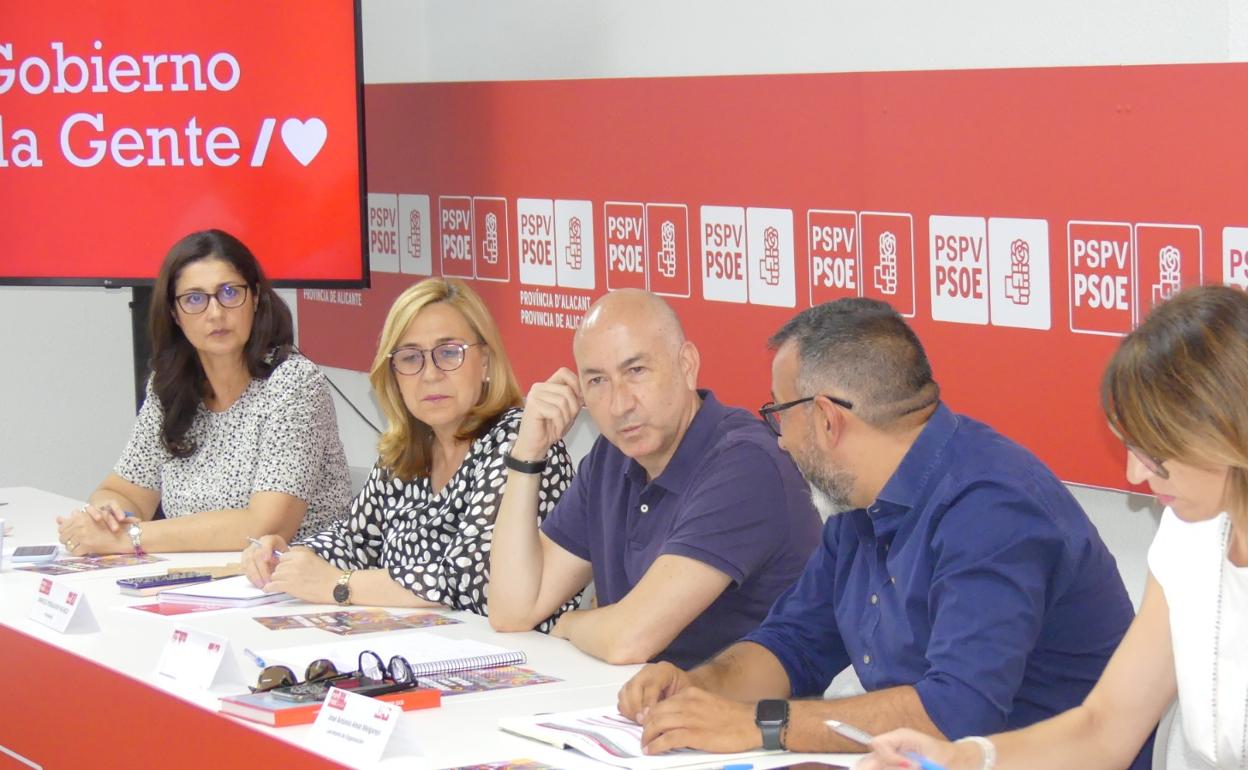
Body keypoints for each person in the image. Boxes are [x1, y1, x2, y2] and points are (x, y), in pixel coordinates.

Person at [617, 297, 1147, 770]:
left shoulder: (992, 507)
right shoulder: (858, 507)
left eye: (779, 415)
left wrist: (763, 725)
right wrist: (695, 689)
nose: (778, 442)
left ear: (827, 420)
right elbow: (792, 646)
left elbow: (954, 713)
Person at [862, 284, 1248, 770]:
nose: (1135, 475)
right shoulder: (1186, 535)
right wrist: (964, 758)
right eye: (1130, 446)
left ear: (1228, 435)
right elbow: (1104, 727)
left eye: (1155, 452)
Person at [488, 289, 822, 666]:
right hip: (636, 709)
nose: (620, 404)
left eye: (636, 371)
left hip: (743, 717)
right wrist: (527, 455)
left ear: (687, 364)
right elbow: (511, 611)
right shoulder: (611, 456)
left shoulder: (745, 463)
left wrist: (569, 623)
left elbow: (628, 640)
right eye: (597, 381)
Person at [242, 278, 575, 624]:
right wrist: (287, 556)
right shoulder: (406, 449)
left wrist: (338, 585)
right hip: (415, 646)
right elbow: (357, 541)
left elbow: (471, 582)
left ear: (486, 361)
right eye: (410, 357)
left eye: (449, 353)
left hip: (522, 661)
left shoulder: (524, 443)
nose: (430, 374)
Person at [56, 229, 350, 555]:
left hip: (290, 588)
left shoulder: (294, 384)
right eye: (194, 298)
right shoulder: (171, 387)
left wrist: (132, 537)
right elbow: (123, 491)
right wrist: (109, 516)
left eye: (229, 292)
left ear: (254, 297)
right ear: (174, 314)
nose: (215, 313)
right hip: (199, 583)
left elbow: (265, 526)